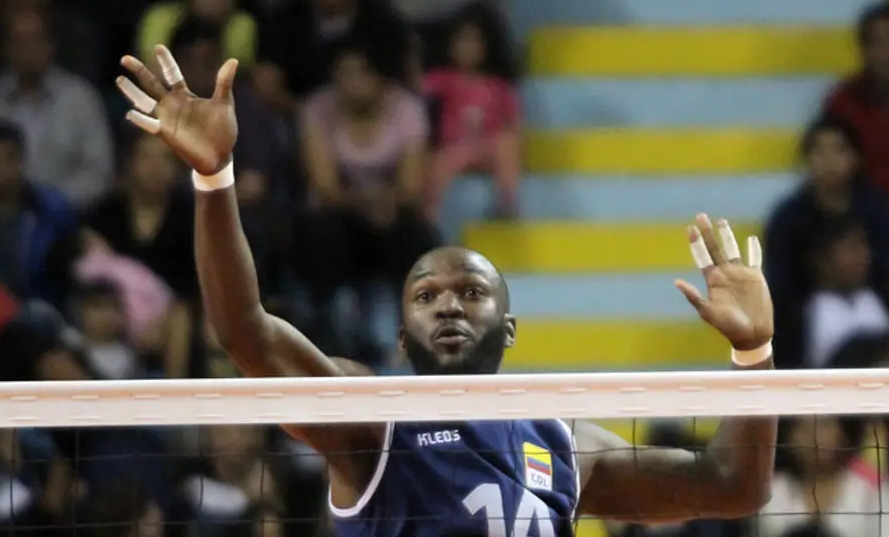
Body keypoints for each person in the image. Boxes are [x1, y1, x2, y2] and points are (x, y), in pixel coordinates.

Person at [115, 45, 777, 533]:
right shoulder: (370, 423)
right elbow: (244, 332)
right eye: (426, 296)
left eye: (471, 292)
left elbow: (732, 486)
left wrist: (754, 354)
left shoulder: (563, 440)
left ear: (509, 328)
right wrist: (214, 178)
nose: (450, 304)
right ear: (401, 338)